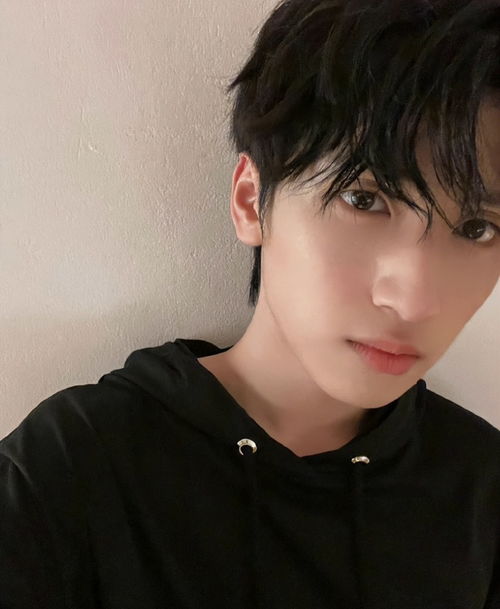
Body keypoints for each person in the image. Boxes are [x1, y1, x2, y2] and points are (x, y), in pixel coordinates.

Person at [1, 0, 500, 607]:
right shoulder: (74, 467)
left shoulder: (482, 489)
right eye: (364, 199)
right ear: (250, 200)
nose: (415, 300)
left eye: (477, 228)